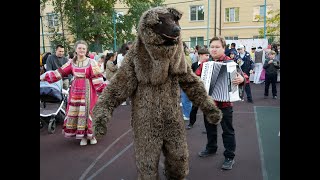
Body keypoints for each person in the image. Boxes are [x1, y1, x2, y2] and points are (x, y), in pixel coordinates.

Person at [40, 40, 107, 146]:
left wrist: (106, 89)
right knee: (78, 112)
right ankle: (83, 137)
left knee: (88, 111)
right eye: (79, 48)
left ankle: (91, 135)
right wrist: (43, 77)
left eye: (84, 48)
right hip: (75, 90)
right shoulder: (71, 62)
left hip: (88, 90)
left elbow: (98, 78)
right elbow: (59, 73)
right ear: (76, 49)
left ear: (86, 50)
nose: (81, 50)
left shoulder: (92, 62)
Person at [195, 36, 245, 170]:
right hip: (209, 104)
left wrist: (241, 79)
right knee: (210, 129)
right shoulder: (205, 64)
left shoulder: (231, 63)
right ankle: (211, 148)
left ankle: (229, 156)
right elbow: (196, 77)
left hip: (225, 105)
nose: (214, 49)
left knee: (228, 131)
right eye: (212, 47)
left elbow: (243, 76)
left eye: (217, 47)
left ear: (224, 48)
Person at [186, 48, 210, 129]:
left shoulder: (209, 65)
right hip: (197, 90)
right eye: (206, 55)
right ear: (200, 55)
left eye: (208, 55)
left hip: (206, 90)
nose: (208, 57)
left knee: (206, 109)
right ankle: (191, 123)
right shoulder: (194, 65)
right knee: (194, 108)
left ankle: (208, 127)